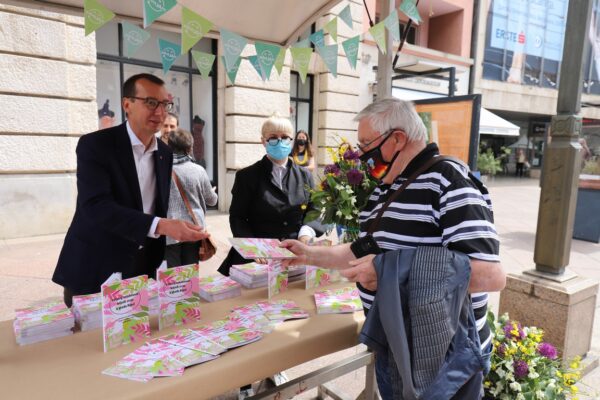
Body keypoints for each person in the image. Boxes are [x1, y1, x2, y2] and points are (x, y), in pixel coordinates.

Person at [281, 98, 505, 399]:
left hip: (442, 358)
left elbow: (489, 274)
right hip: (398, 348)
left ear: (398, 138)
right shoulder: (386, 190)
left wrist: (389, 271)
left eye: (366, 145)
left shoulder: (448, 179)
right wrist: (309, 255)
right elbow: (363, 250)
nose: (361, 156)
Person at [53, 73, 209, 307]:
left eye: (165, 104)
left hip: (141, 265)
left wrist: (192, 235)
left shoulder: (165, 153)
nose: (159, 112)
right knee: (87, 341)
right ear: (127, 104)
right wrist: (164, 225)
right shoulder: (96, 145)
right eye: (150, 103)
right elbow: (96, 207)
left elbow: (155, 206)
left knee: (137, 335)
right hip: (95, 264)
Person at [218, 114, 325, 400]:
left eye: (285, 138)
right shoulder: (248, 176)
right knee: (246, 320)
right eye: (273, 137)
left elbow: (315, 212)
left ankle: (274, 368)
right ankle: (243, 380)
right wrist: (255, 248)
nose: (280, 142)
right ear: (263, 141)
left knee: (282, 320)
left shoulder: (305, 176)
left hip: (291, 260)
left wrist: (305, 233)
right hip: (254, 262)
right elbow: (237, 216)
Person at [165, 128, 217, 267]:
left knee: (172, 279)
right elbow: (212, 200)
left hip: (169, 232)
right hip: (194, 230)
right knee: (190, 274)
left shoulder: (161, 169)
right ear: (189, 149)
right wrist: (212, 191)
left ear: (169, 146)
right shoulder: (198, 170)